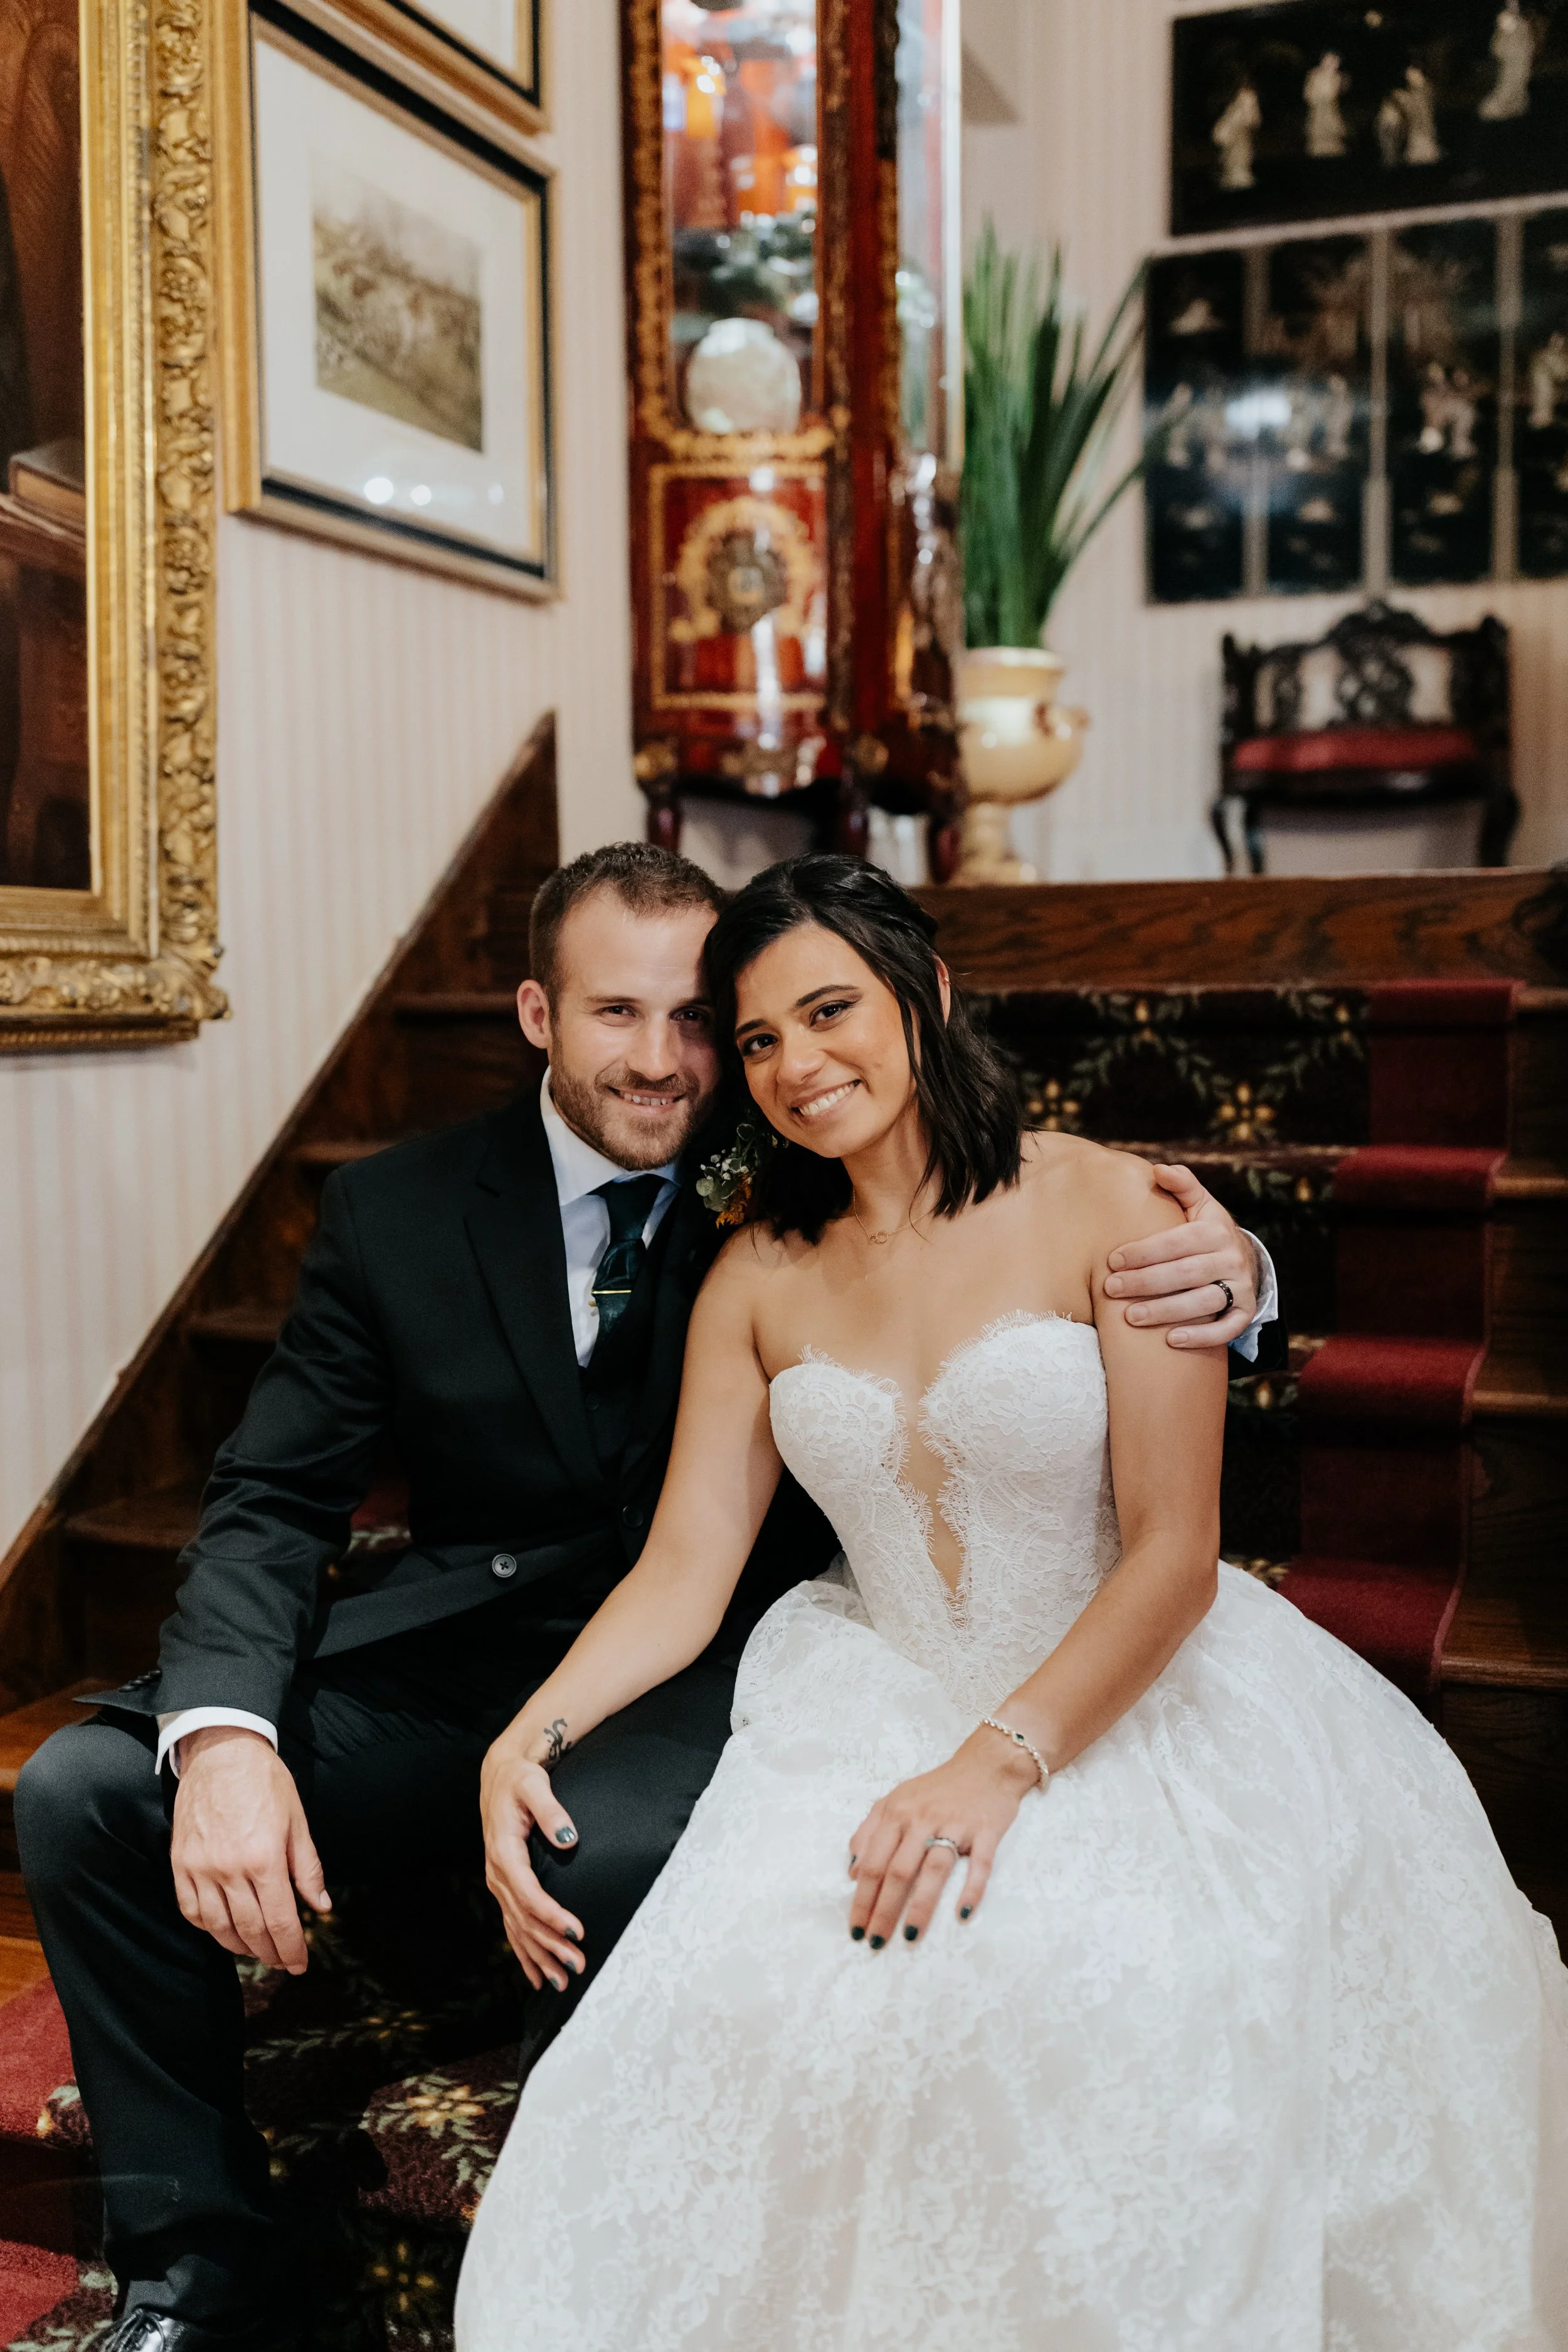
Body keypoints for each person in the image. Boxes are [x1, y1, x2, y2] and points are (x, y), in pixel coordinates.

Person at [14, 843, 1275, 2352]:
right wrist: (224, 1739)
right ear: (538, 1014)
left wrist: (1245, 1274)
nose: (673, 1062)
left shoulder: (763, 1170)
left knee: (605, 1844)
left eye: (705, 1021)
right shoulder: (400, 1212)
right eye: (622, 1013)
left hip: (717, 1659)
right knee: (90, 1790)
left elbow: (996, 1239)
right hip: (460, 1655)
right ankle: (196, 2268)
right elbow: (275, 1497)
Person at [457, 854, 1568, 2352]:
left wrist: (995, 1763)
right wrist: (525, 1734)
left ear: (926, 994)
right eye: (761, 1036)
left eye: (830, 1008)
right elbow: (685, 1568)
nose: (795, 1064)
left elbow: (1175, 1554)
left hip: (1124, 1691)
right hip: (868, 1688)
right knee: (759, 2001)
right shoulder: (754, 1276)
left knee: (1088, 1996)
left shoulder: (1112, 1205)